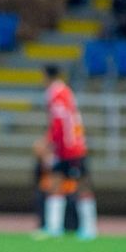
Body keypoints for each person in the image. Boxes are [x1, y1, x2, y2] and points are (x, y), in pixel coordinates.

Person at [42, 65, 97, 239]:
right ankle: (56, 227)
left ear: (46, 77)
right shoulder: (66, 92)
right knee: (58, 182)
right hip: (73, 145)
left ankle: (85, 228)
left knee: (79, 185)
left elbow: (59, 123)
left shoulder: (56, 93)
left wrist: (49, 144)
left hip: (69, 148)